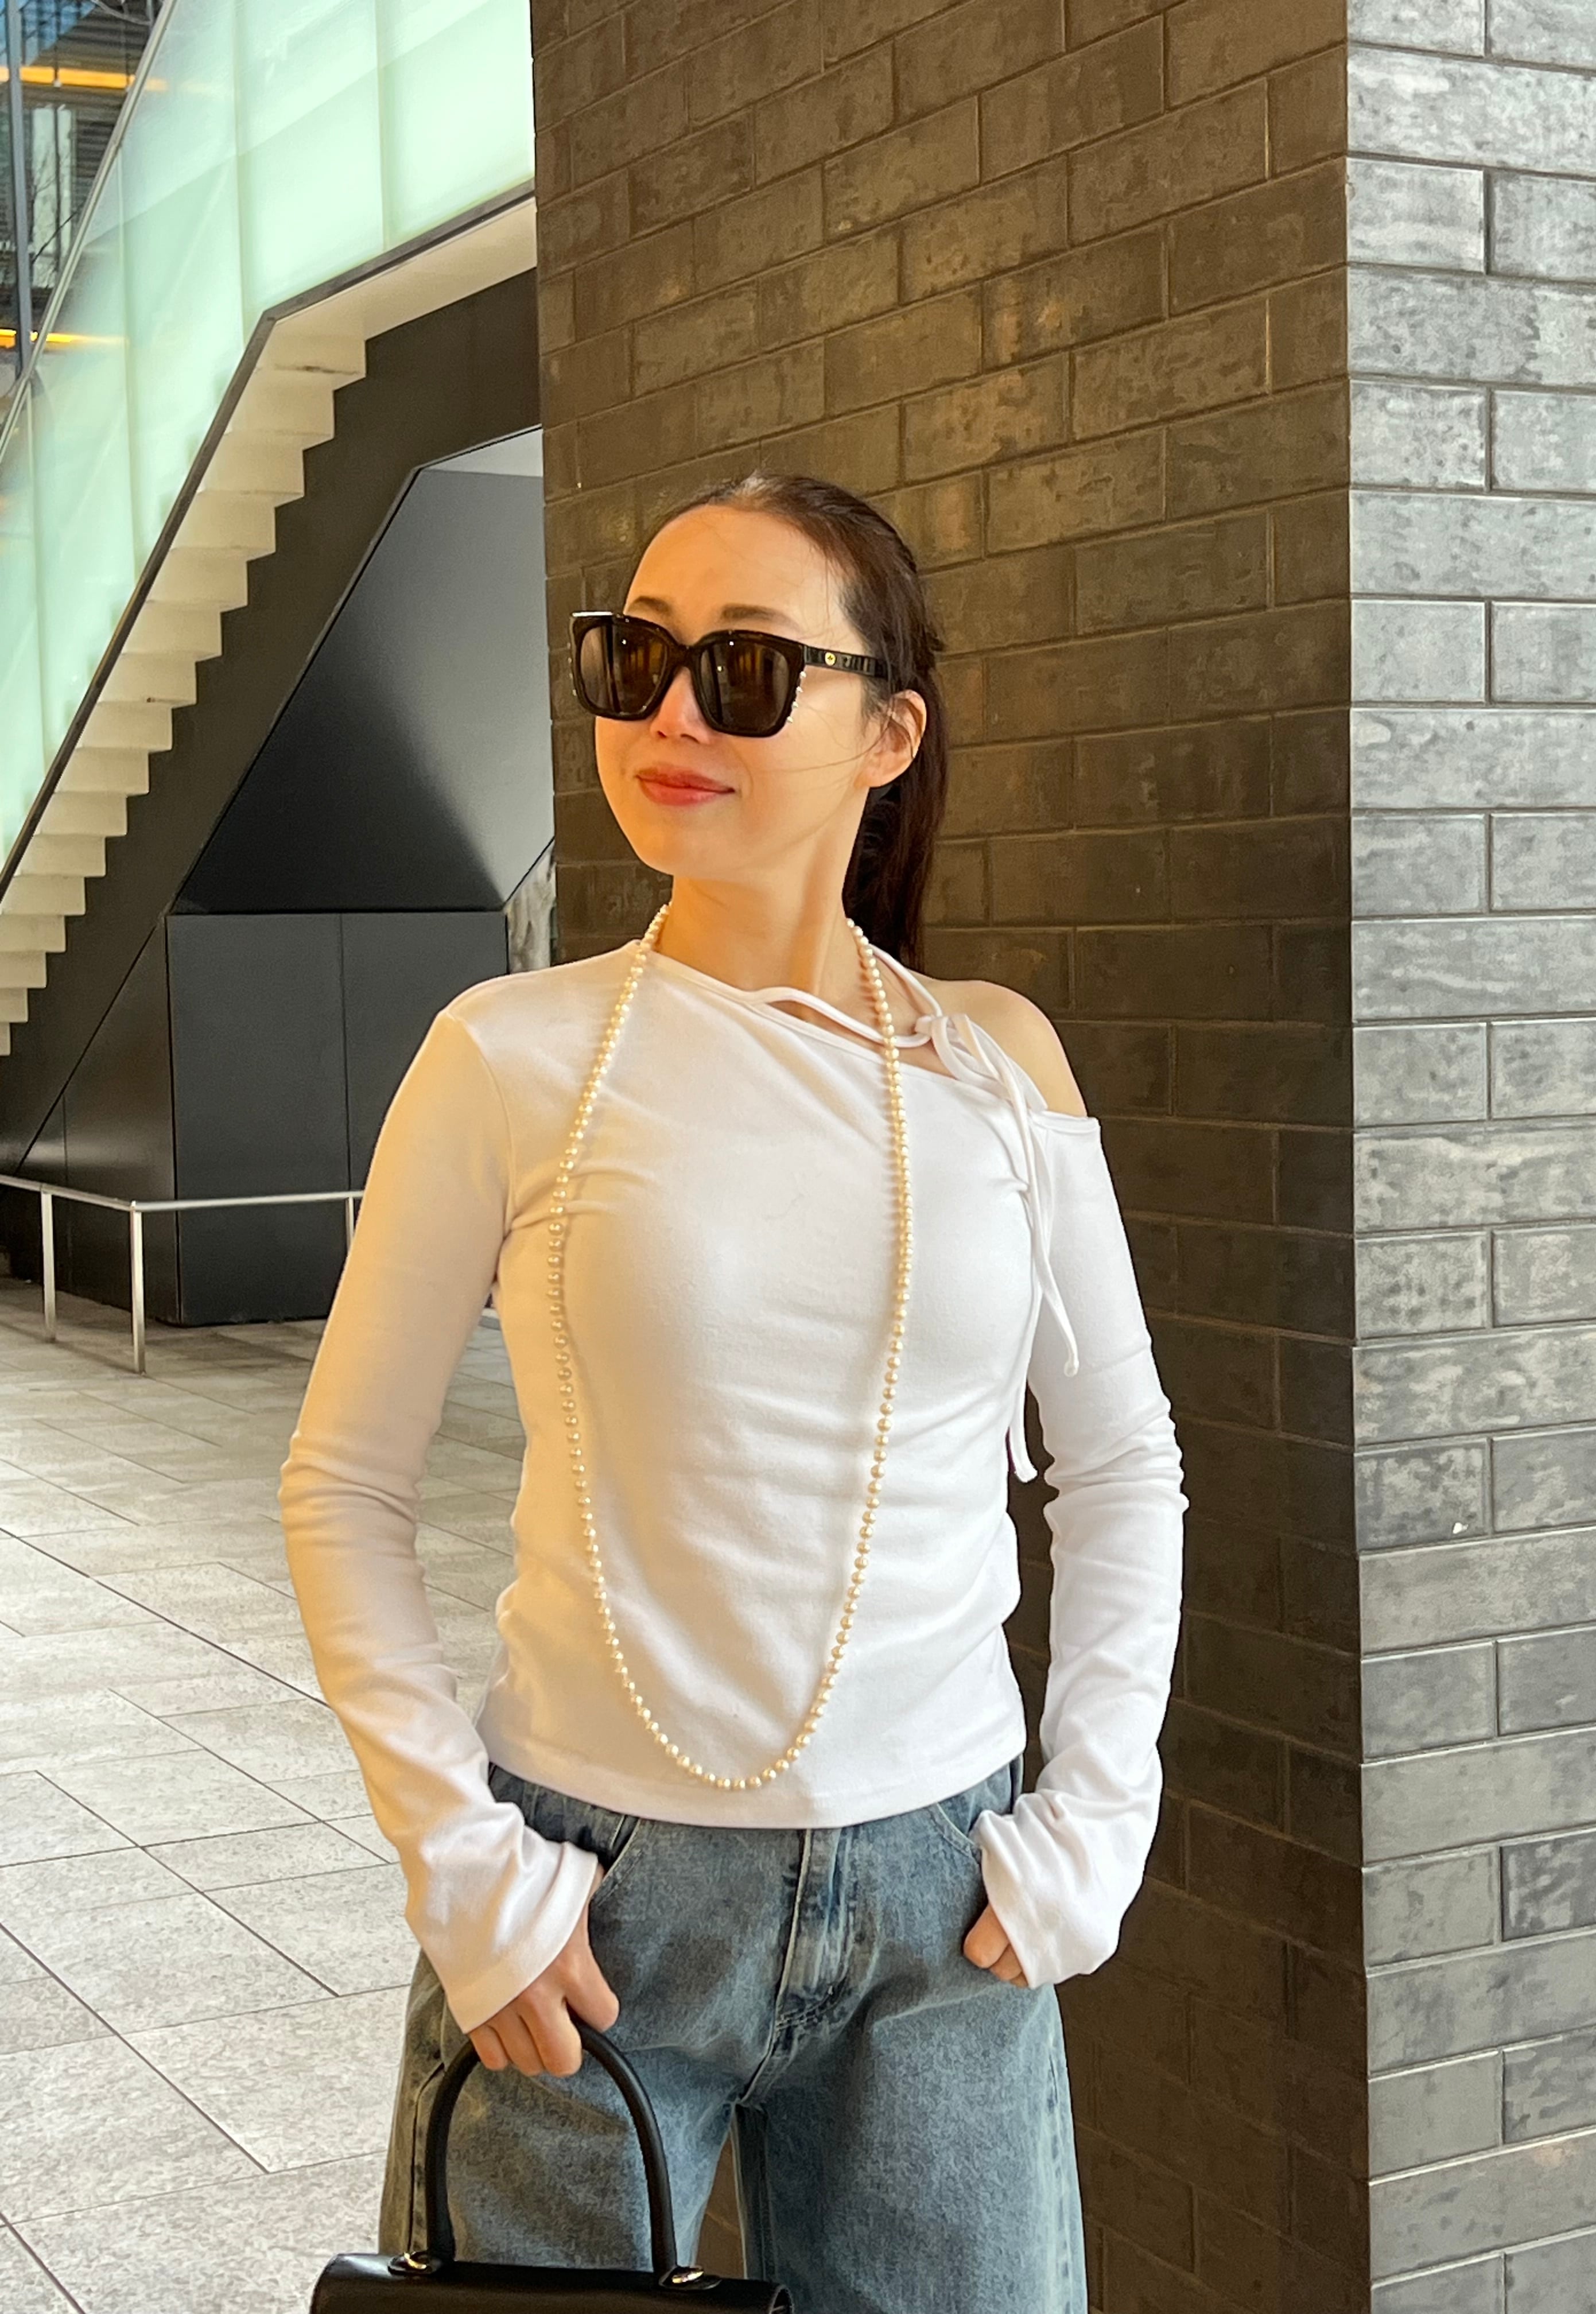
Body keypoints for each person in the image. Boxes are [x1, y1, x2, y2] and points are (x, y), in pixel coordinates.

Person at [278, 469, 1187, 2313]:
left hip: (947, 1899)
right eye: (636, 660)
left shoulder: (995, 1065)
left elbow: (1121, 1465)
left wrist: (1096, 1822)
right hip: (591, 1898)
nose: (674, 715)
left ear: (888, 733)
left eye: (750, 670)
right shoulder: (508, 1055)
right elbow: (342, 1483)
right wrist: (462, 1861)